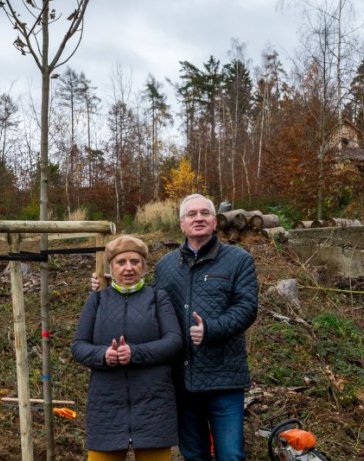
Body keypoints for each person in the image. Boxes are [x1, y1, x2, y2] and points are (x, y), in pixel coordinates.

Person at [92, 194, 259, 461]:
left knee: (231, 455)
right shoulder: (168, 265)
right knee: (194, 454)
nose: (199, 218)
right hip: (181, 379)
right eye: (191, 214)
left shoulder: (239, 260)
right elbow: (148, 305)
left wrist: (211, 329)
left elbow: (247, 307)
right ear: (182, 224)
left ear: (215, 221)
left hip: (223, 377)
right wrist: (113, 284)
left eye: (205, 213)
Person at [73, 235, 183, 461]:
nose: (128, 268)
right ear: (110, 268)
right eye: (121, 262)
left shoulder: (158, 298)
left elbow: (174, 341)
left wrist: (135, 353)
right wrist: (103, 354)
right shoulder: (97, 300)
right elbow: (79, 346)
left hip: (153, 404)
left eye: (135, 261)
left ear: (144, 267)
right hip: (106, 405)